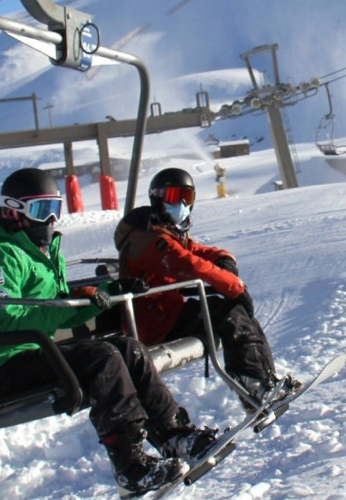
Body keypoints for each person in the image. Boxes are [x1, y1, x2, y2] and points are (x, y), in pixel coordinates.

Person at [0, 168, 217, 497]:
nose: (50, 220)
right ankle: (130, 466)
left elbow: (62, 312)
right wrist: (63, 305)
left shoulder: (41, 252)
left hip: (39, 351)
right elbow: (7, 320)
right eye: (42, 210)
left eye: (55, 209)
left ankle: (173, 434)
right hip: (7, 362)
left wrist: (104, 295)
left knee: (129, 349)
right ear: (14, 211)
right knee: (104, 358)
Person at [113, 167, 299, 412]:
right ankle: (253, 386)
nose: (181, 204)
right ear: (157, 198)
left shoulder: (165, 230)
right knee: (228, 312)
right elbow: (188, 264)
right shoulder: (148, 239)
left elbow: (197, 251)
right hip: (154, 324)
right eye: (174, 197)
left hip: (168, 314)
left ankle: (263, 381)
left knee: (233, 312)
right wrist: (234, 286)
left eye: (187, 197)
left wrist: (224, 258)